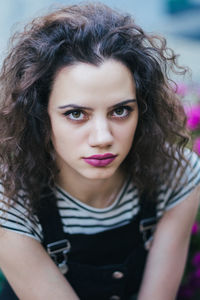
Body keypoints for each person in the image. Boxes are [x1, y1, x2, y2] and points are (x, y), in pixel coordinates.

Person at [0, 2, 199, 300]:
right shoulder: (11, 201)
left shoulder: (176, 173)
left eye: (120, 111)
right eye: (76, 114)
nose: (103, 138)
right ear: (41, 116)